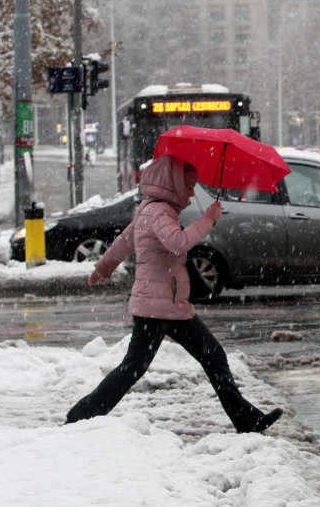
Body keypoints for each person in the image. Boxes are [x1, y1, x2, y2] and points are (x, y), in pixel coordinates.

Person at [65, 154, 282, 433]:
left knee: (212, 355)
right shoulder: (160, 212)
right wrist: (207, 220)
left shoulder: (150, 208)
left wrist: (104, 268)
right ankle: (80, 417)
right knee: (132, 369)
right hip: (155, 306)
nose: (192, 193)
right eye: (189, 186)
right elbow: (177, 243)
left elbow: (125, 241)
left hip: (171, 303)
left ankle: (247, 420)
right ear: (174, 185)